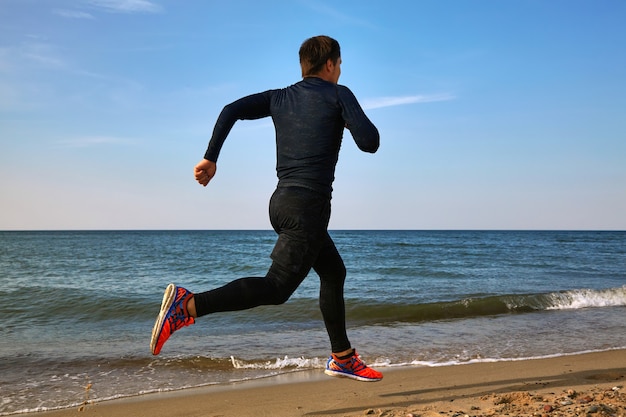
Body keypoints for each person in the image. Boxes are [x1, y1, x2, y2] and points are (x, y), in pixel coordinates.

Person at [150, 35, 382, 382]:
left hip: (280, 203)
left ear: (304, 66)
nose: (340, 71)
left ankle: (343, 357)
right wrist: (344, 113)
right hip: (308, 208)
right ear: (332, 64)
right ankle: (186, 305)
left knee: (333, 273)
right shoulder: (338, 93)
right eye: (340, 65)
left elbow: (231, 110)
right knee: (275, 289)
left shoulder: (280, 97)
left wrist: (210, 157)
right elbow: (370, 143)